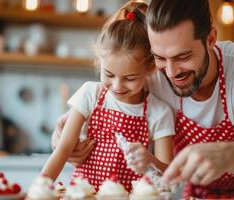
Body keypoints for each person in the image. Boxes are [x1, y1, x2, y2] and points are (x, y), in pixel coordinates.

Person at [53, 0, 234, 198]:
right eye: (160, 57)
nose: (171, 72)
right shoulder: (149, 72)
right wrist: (65, 139)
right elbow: (98, 103)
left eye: (183, 56)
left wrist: (228, 155)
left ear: (211, 39)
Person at [42, 1, 174, 192]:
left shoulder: (159, 112)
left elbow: (169, 176)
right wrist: (38, 190)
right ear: (100, 62)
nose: (117, 86)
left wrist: (150, 161)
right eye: (109, 74)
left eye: (130, 78)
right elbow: (63, 149)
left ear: (150, 68)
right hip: (85, 195)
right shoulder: (90, 94)